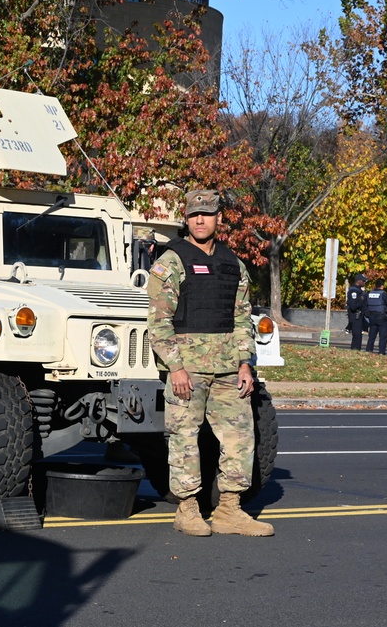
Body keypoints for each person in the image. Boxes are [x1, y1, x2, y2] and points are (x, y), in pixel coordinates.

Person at [147, 189, 273, 538]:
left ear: (219, 218)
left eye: (207, 213)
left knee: (240, 437)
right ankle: (187, 510)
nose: (200, 220)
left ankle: (229, 510)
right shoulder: (170, 261)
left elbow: (242, 318)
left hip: (229, 369)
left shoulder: (233, 264)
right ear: (185, 219)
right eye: (193, 215)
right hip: (188, 370)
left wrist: (246, 363)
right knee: (184, 438)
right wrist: (175, 367)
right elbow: (158, 323)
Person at [365, 278, 387, 354]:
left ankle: (369, 350)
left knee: (371, 336)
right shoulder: (384, 294)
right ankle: (381, 352)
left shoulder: (369, 293)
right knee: (383, 336)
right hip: (382, 317)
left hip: (372, 317)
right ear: (382, 286)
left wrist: (367, 316)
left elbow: (365, 306)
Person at [346, 274, 368, 350]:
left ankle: (356, 349)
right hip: (355, 315)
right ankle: (355, 349)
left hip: (359, 316)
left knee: (358, 335)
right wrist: (362, 299)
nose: (365, 282)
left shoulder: (359, 290)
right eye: (363, 281)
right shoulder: (354, 291)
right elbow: (353, 306)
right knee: (357, 335)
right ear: (358, 281)